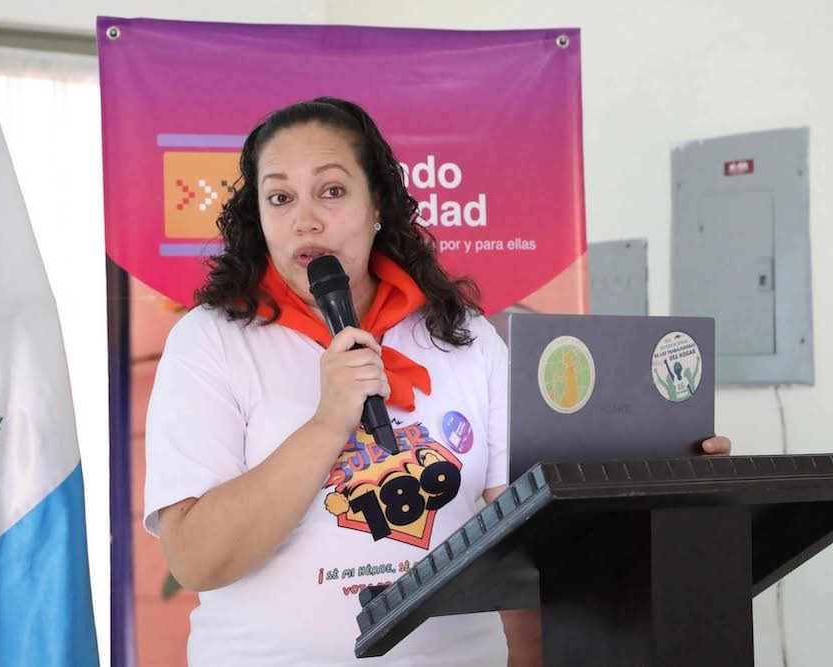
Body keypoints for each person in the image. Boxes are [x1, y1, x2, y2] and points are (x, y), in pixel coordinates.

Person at [144, 97, 732, 667]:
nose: (305, 219)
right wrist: (328, 422)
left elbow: (534, 529)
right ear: (260, 219)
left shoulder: (462, 336)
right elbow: (196, 560)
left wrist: (668, 483)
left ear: (378, 206)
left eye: (332, 190)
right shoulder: (214, 339)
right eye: (280, 197)